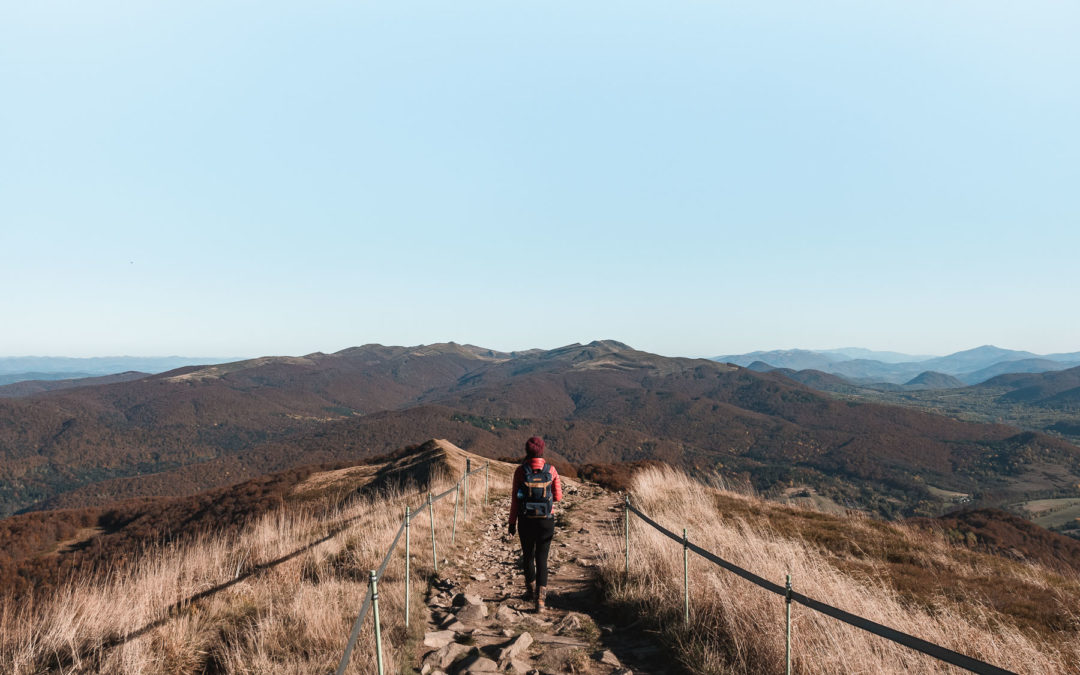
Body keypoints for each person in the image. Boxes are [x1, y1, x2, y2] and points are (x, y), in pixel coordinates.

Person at [507, 436, 562, 612]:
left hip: (526, 520)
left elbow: (515, 500)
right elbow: (558, 497)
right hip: (546, 521)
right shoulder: (551, 470)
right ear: (542, 450)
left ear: (527, 451)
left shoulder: (520, 471)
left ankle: (530, 591)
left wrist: (511, 523)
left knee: (528, 556)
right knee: (542, 558)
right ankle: (540, 601)